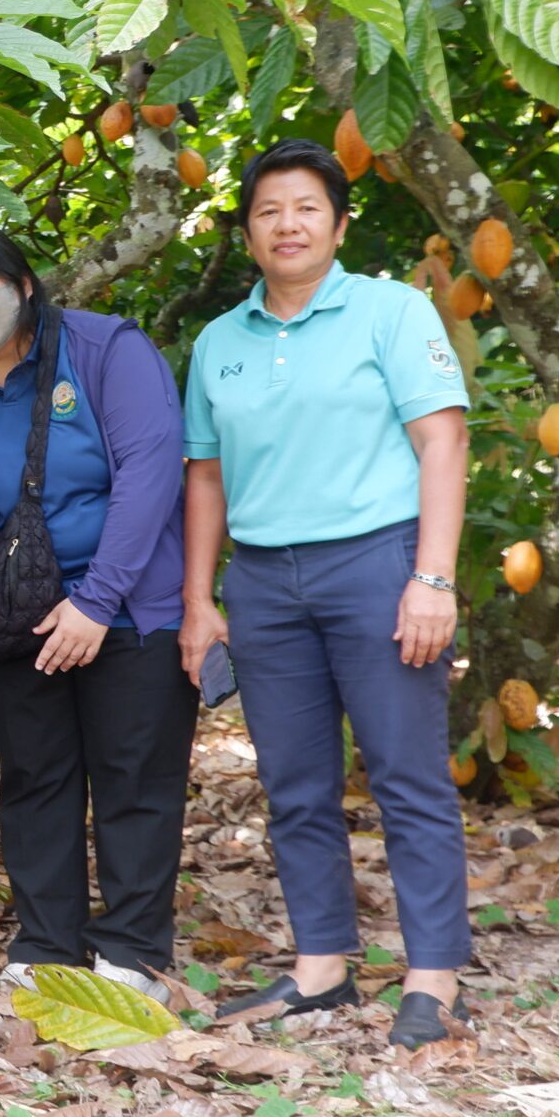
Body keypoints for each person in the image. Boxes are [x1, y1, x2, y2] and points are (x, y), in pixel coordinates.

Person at [179, 140, 473, 1050]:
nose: (287, 225)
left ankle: (435, 977)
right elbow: (206, 480)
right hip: (265, 581)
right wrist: (201, 600)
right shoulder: (221, 342)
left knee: (407, 774)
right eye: (268, 210)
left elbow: (444, 441)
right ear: (250, 230)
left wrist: (432, 577)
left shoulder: (390, 311)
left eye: (306, 207)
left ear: (339, 223)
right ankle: (322, 967)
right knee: (295, 782)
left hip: (377, 566)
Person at [0, 222, 199, 1002]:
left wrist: (97, 601)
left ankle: (132, 947)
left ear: (23, 284)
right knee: (36, 779)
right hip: (19, 613)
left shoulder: (106, 350)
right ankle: (47, 941)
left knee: (135, 777)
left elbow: (149, 472)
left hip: (130, 606)